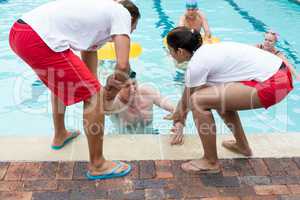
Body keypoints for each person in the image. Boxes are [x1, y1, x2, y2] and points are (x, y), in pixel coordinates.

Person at [9, 0, 140, 180]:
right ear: (131, 19)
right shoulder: (122, 13)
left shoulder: (97, 18)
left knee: (63, 83)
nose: (130, 32)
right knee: (95, 96)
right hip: (38, 38)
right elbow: (123, 65)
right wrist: (108, 95)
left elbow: (88, 57)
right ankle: (98, 164)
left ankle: (60, 134)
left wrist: (100, 92)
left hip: (20, 32)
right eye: (132, 28)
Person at [166, 26, 293, 173]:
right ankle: (243, 146)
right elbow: (187, 96)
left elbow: (189, 98)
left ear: (180, 51)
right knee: (214, 96)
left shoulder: (197, 64)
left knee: (198, 101)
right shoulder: (207, 51)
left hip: (274, 83)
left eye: (170, 51)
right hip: (281, 74)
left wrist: (180, 118)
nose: (170, 55)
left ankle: (210, 161)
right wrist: (180, 117)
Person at [105, 78, 178, 138]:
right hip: (124, 141)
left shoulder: (147, 92)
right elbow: (105, 109)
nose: (132, 89)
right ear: (118, 90)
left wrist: (177, 117)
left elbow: (172, 105)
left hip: (150, 136)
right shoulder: (116, 103)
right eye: (127, 86)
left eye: (134, 83)